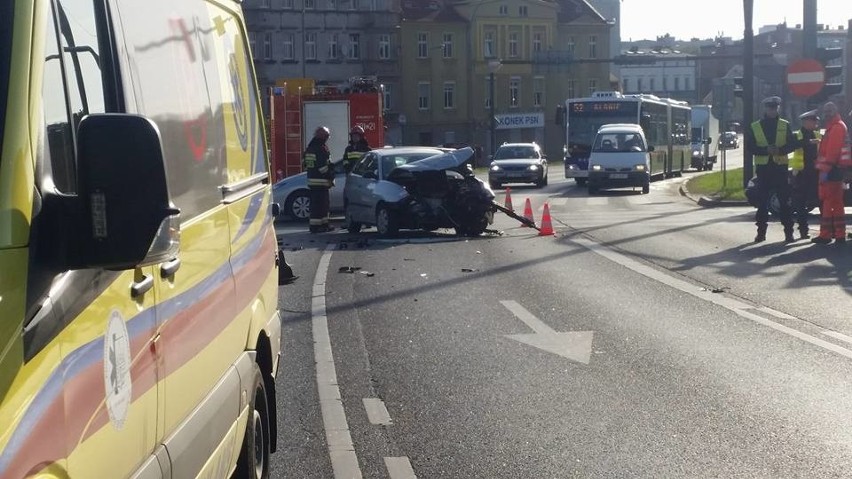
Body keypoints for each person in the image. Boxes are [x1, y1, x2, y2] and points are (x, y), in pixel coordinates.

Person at [745, 96, 797, 243]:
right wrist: (765, 150)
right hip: (763, 170)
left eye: (774, 108)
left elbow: (791, 144)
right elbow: (750, 147)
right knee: (762, 203)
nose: (772, 111)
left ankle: (789, 233)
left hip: (780, 168)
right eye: (769, 108)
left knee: (784, 202)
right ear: (765, 109)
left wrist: (780, 150)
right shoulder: (755, 126)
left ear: (778, 109)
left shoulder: (784, 124)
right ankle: (761, 233)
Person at [811, 101, 848, 245]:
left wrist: (824, 171)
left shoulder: (836, 128)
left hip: (831, 170)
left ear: (835, 111)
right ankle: (837, 235)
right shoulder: (835, 127)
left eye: (829, 110)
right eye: (826, 110)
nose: (827, 113)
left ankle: (827, 235)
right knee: (835, 203)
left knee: (829, 202)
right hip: (835, 170)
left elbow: (832, 152)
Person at [789, 109, 822, 239]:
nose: (816, 123)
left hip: (816, 173)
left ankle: (825, 231)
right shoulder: (797, 135)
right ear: (805, 122)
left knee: (820, 202)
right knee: (800, 204)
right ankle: (803, 230)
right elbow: (792, 145)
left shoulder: (818, 135)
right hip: (801, 174)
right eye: (813, 121)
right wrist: (809, 142)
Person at [304, 126, 335, 233]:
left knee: (315, 206)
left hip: (312, 182)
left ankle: (315, 226)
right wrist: (330, 174)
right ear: (324, 137)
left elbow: (305, 164)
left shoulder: (310, 148)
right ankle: (322, 226)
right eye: (326, 137)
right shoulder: (320, 149)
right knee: (323, 206)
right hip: (321, 182)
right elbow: (323, 167)